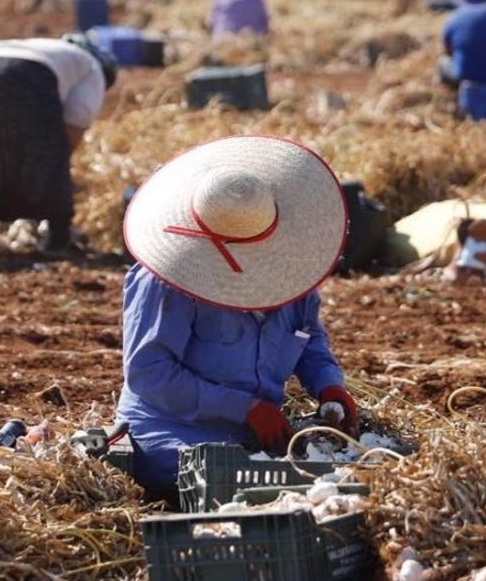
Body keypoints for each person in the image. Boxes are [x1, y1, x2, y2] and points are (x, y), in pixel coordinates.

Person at [115, 135, 358, 504]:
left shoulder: (293, 275)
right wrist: (243, 408)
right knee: (230, 482)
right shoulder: (166, 282)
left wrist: (329, 385)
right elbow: (150, 373)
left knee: (348, 474)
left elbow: (309, 341)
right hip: (173, 432)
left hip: (260, 435)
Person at [0, 32, 117, 257]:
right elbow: (73, 127)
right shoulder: (92, 67)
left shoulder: (47, 49)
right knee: (52, 156)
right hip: (26, 76)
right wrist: (53, 178)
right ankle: (58, 240)